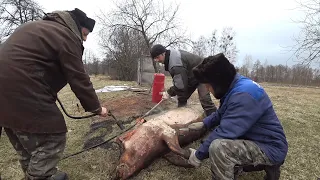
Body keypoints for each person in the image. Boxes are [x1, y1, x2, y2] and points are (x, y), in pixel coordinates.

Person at [0, 8, 108, 180]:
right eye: (85, 33)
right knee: (52, 138)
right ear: (76, 26)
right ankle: (40, 176)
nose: (85, 39)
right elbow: (79, 78)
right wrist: (96, 108)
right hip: (23, 90)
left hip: (5, 98)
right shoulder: (66, 36)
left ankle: (36, 174)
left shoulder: (36, 27)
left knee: (29, 144)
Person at [186, 53, 288, 180]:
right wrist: (205, 123)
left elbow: (225, 132)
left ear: (218, 81)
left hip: (269, 147)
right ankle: (239, 165)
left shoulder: (243, 95)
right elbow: (222, 113)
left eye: (207, 85)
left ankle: (269, 164)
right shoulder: (236, 85)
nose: (206, 89)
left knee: (219, 147)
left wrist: (198, 155)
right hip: (257, 137)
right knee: (219, 143)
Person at [150, 44, 217, 116]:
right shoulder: (170, 57)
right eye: (155, 58)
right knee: (182, 96)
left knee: (205, 99)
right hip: (192, 76)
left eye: (157, 57)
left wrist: (168, 93)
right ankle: (181, 115)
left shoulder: (175, 64)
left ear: (163, 53)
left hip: (203, 72)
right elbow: (181, 84)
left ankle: (214, 119)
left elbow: (180, 86)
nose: (157, 60)